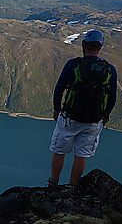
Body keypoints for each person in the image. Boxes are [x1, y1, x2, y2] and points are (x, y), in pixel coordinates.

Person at [49, 29, 118, 187]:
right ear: (100, 47)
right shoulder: (109, 69)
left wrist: (56, 109)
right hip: (94, 121)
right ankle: (73, 187)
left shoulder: (73, 64)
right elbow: (112, 98)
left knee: (59, 151)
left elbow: (59, 88)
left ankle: (53, 184)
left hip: (69, 118)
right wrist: (105, 116)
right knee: (81, 155)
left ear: (84, 45)